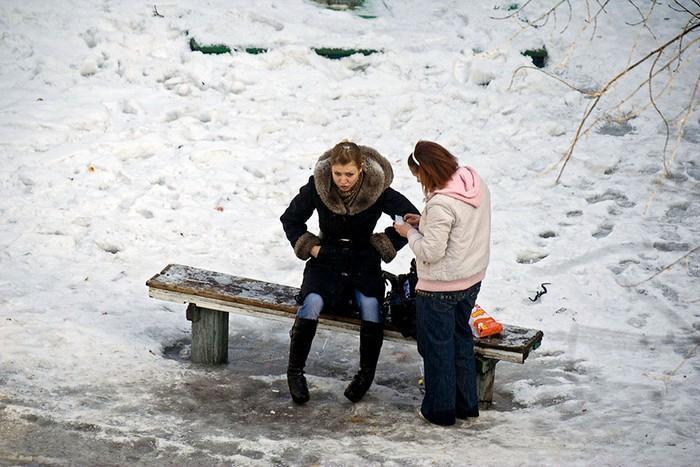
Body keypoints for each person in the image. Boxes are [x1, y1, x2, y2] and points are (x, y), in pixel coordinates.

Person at [280, 141, 419, 405]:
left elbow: (412, 218)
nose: (343, 181)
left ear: (362, 170)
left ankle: (365, 375)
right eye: (338, 174)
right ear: (330, 170)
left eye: (349, 174)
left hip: (362, 260)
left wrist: (381, 245)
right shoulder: (318, 186)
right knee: (312, 303)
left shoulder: (376, 188)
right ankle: (295, 371)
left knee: (370, 306)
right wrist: (313, 248)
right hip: (326, 259)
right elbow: (291, 219)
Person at [394, 140, 491, 426]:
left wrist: (408, 232)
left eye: (418, 176)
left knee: (437, 349)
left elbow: (430, 252)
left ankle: (440, 411)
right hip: (471, 280)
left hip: (441, 288)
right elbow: (459, 227)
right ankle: (465, 405)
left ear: (427, 171)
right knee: (460, 340)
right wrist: (423, 221)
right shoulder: (473, 182)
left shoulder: (441, 203)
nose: (419, 182)